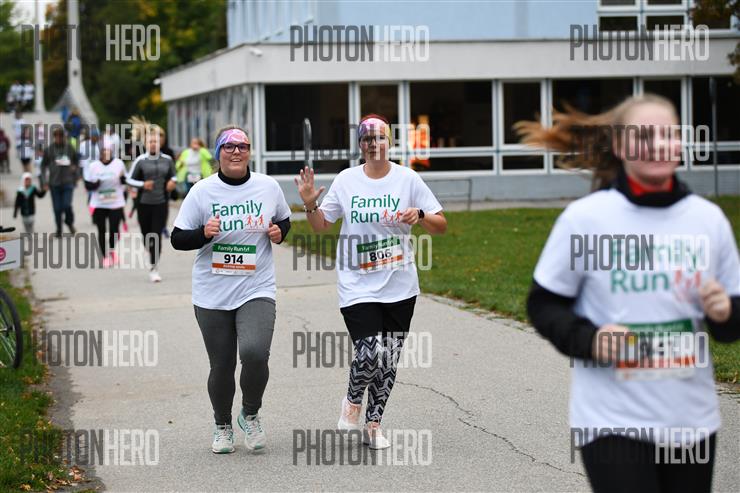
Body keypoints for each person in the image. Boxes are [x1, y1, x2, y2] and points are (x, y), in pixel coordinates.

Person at [519, 94, 740, 493]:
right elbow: (544, 303)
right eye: (644, 136)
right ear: (620, 147)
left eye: (668, 134)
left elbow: (732, 322)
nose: (659, 145)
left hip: (690, 421)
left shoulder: (708, 221)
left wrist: (725, 312)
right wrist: (589, 339)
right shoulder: (587, 219)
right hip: (612, 421)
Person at [294, 114, 447, 449]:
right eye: (366, 139)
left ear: (388, 141)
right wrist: (309, 204)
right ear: (360, 145)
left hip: (400, 284)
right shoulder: (347, 180)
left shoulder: (408, 179)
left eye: (379, 138)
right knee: (370, 352)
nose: (373, 144)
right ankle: (352, 401)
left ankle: (374, 424)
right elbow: (321, 225)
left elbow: (441, 224)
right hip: (357, 282)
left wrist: (420, 215)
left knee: (388, 360)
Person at [171, 125, 291, 454]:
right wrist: (203, 234)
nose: (236, 151)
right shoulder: (202, 191)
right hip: (212, 292)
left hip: (256, 287)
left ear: (250, 152)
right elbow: (177, 238)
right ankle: (222, 424)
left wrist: (280, 232)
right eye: (229, 146)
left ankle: (250, 414)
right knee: (222, 365)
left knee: (255, 353)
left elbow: (284, 220)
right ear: (218, 153)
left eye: (243, 146)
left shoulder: (267, 186)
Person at [126, 127, 176, 282]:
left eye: (155, 141)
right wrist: (142, 184)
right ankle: (151, 253)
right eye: (150, 142)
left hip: (161, 203)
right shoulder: (140, 161)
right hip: (143, 204)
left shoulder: (167, 159)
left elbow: (174, 176)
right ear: (145, 144)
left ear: (160, 143)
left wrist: (172, 182)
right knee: (147, 235)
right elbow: (129, 179)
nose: (153, 144)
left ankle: (154, 268)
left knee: (156, 235)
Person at [40, 126, 79, 236]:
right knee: (57, 208)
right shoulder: (49, 149)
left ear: (63, 137)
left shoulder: (69, 148)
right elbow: (43, 166)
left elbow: (76, 161)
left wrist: (75, 170)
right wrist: (44, 182)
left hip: (68, 182)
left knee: (67, 205)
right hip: (54, 183)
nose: (58, 138)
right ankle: (59, 229)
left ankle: (69, 222)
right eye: (56, 136)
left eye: (60, 136)